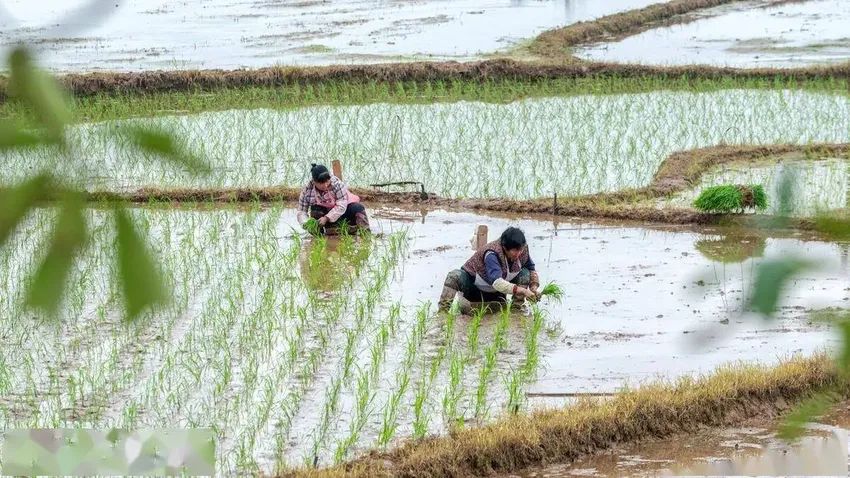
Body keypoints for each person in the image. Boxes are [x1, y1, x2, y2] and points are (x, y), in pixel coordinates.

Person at [439, 226, 540, 315]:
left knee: (525, 273)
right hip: (475, 286)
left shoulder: (522, 250)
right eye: (515, 251)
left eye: (520, 249)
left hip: (497, 291)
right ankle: (443, 313)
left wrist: (533, 287)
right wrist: (523, 290)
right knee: (454, 276)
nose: (518, 253)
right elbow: (497, 283)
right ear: (505, 248)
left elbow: (531, 269)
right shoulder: (492, 253)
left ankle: (516, 310)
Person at [297, 163, 370, 233]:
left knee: (357, 208)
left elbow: (341, 206)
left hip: (344, 212)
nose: (325, 185)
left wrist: (326, 218)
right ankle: (322, 233)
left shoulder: (337, 184)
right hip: (324, 216)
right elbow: (302, 212)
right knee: (315, 210)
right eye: (321, 183)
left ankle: (364, 232)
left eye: (327, 181)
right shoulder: (307, 191)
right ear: (314, 182)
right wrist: (306, 224)